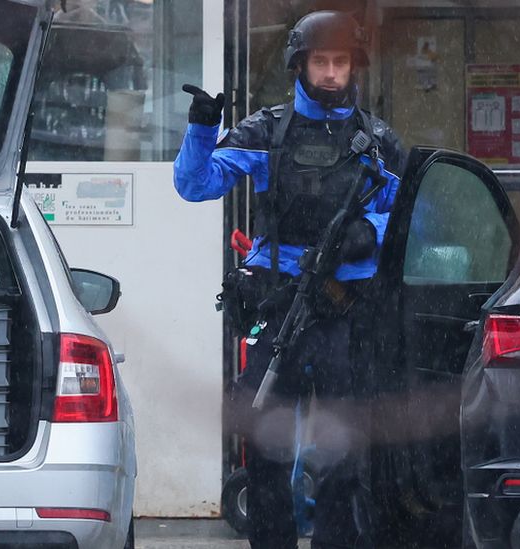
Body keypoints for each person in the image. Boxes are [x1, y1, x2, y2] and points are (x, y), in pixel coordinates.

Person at [173, 10, 406, 549]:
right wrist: (203, 128)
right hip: (279, 306)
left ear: (354, 68)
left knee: (345, 449)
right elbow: (195, 184)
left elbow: (413, 213)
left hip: (346, 308)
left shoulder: (379, 141)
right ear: (300, 65)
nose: (330, 72)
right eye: (320, 61)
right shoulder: (267, 130)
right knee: (268, 444)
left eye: (339, 62)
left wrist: (367, 231)